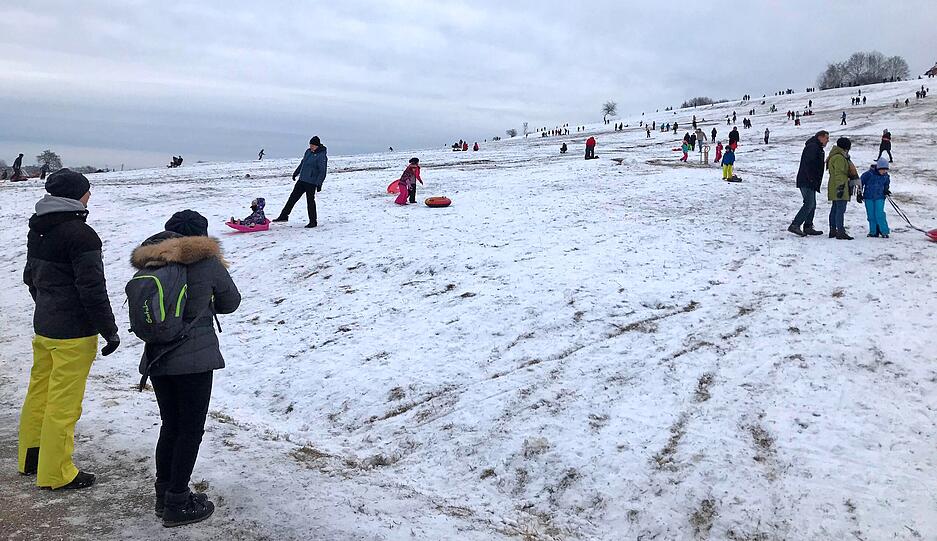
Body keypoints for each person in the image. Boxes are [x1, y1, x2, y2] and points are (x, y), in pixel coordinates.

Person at [129, 210, 240, 527]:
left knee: (171, 425)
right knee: (190, 429)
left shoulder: (152, 260)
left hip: (158, 356)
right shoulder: (205, 260)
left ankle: (163, 495)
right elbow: (231, 301)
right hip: (194, 356)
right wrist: (206, 305)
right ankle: (178, 501)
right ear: (200, 235)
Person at [19, 169, 119, 490]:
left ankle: (31, 458)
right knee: (64, 401)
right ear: (77, 195)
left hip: (45, 325)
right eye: (87, 191)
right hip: (73, 333)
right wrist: (109, 329)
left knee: (40, 392)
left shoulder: (39, 228)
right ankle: (56, 472)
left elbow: (30, 277)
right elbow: (92, 288)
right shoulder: (81, 235)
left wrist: (46, 304)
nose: (89, 196)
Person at [272, 136, 328, 228]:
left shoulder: (321, 155)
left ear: (317, 145)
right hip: (302, 180)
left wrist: (319, 184)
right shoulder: (308, 152)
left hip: (311, 182)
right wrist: (296, 172)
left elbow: (322, 171)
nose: (311, 147)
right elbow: (303, 163)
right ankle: (284, 216)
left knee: (310, 202)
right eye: (310, 145)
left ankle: (313, 222)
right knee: (292, 198)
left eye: (313, 145)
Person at [788, 131, 830, 237]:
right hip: (807, 180)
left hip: (810, 180)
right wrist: (811, 179)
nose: (827, 141)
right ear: (820, 137)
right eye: (826, 138)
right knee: (809, 204)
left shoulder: (816, 147)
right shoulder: (813, 147)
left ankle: (808, 226)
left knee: (812, 204)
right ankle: (795, 225)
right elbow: (808, 164)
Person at [827, 137, 855, 240]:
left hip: (835, 185)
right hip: (840, 185)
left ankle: (833, 230)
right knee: (840, 209)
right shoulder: (839, 157)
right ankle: (840, 231)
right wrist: (841, 187)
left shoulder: (835, 155)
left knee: (835, 208)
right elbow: (839, 174)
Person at [860, 159, 891, 238]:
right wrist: (859, 193)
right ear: (878, 168)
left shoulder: (886, 176)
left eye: (886, 170)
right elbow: (860, 183)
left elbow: (886, 184)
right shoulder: (868, 174)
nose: (884, 171)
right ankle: (873, 231)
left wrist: (886, 190)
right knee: (871, 215)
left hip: (880, 197)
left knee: (879, 214)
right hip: (868, 197)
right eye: (883, 170)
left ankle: (884, 231)